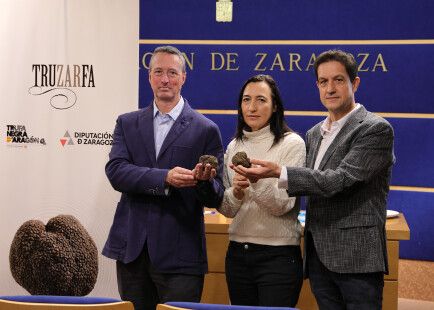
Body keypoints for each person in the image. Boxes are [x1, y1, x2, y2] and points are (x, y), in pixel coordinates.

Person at [232, 50, 395, 310]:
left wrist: (279, 172)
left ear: (355, 83)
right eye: (323, 81)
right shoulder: (314, 134)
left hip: (356, 259)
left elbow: (339, 180)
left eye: (338, 80)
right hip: (319, 258)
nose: (330, 88)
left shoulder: (375, 129)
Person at [102, 45, 225, 310]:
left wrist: (203, 181)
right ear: (149, 77)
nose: (165, 79)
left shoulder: (206, 130)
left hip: (181, 255)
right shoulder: (127, 123)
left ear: (183, 77)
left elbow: (217, 194)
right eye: (158, 72)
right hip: (133, 251)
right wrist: (164, 178)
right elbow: (116, 172)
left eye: (172, 72)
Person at [217, 74, 306, 307]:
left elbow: (281, 205)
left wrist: (253, 180)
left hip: (279, 256)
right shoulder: (234, 146)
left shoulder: (292, 144)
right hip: (237, 254)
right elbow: (228, 210)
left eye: (261, 100)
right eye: (246, 100)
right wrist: (236, 193)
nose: (252, 107)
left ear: (275, 106)